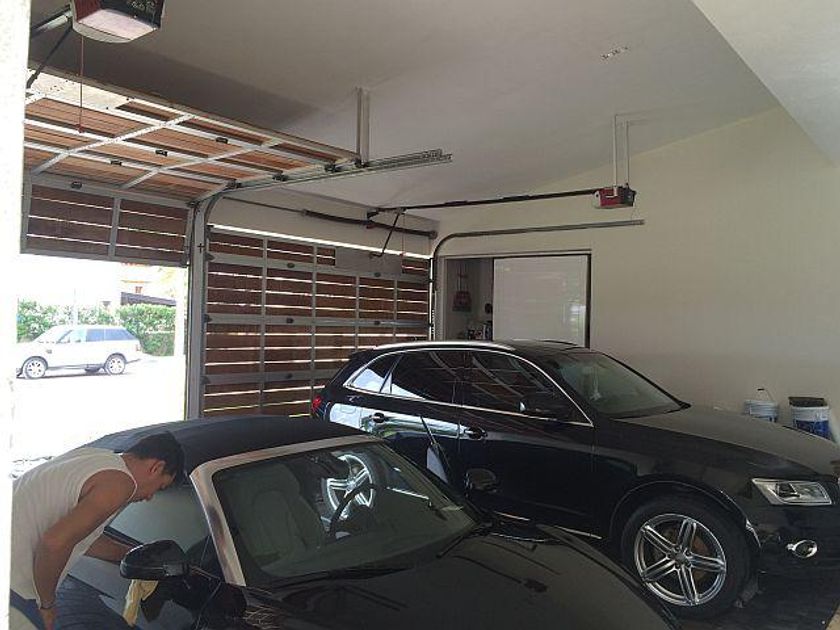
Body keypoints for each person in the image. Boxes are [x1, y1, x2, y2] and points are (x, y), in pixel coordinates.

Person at [9, 432, 185, 630]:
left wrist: (132, 554)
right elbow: (54, 543)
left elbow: (77, 537)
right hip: (14, 590)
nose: (150, 497)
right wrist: (46, 604)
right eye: (160, 487)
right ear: (156, 467)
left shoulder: (93, 457)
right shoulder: (121, 483)